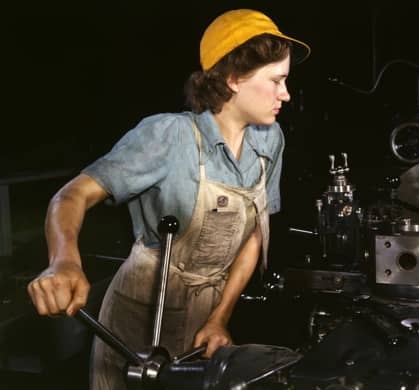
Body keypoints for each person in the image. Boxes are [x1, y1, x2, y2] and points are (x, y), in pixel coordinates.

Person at [27, 8, 310, 389]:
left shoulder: (269, 139)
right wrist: (63, 262)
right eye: (277, 81)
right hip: (138, 319)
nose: (286, 94)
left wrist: (219, 318)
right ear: (233, 78)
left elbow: (256, 233)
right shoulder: (168, 136)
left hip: (205, 317)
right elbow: (72, 195)